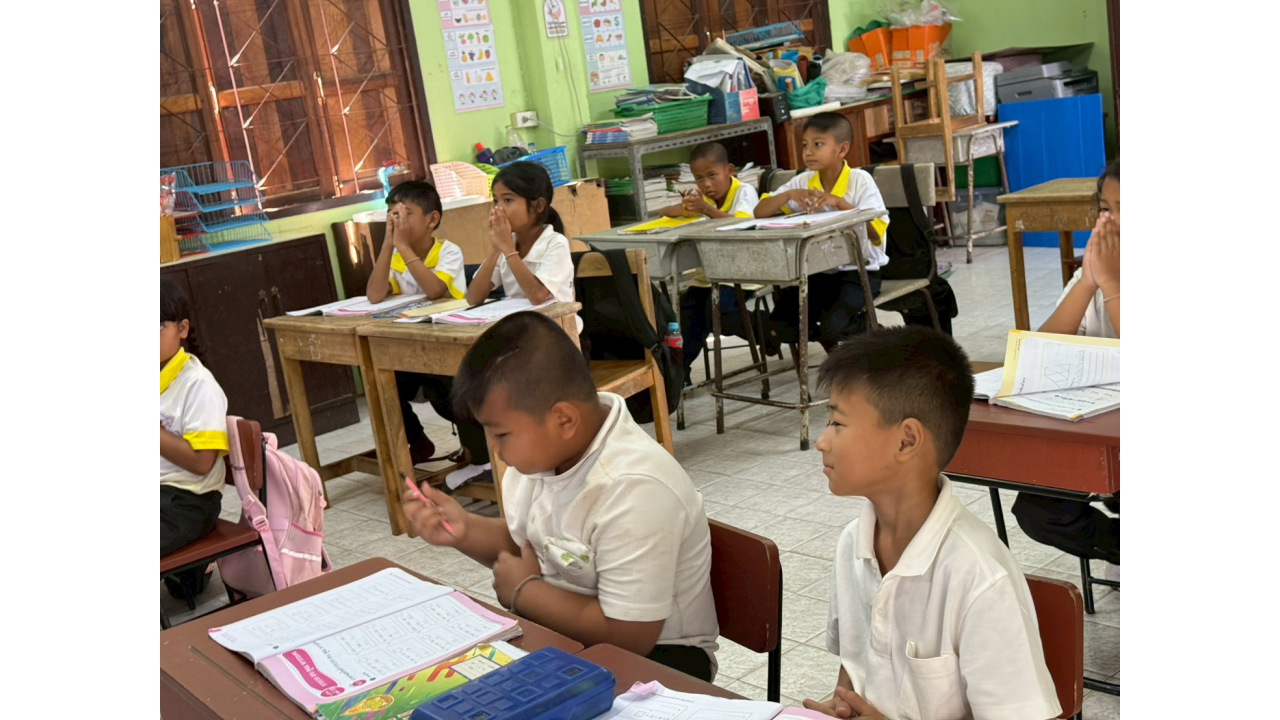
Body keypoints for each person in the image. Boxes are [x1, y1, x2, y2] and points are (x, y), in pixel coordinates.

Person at [402, 312, 720, 681]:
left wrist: (524, 592)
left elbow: (631, 636)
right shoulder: (544, 457)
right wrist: (464, 530)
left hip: (664, 660)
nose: (493, 448)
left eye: (500, 434)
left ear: (564, 420)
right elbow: (530, 545)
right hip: (574, 634)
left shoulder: (634, 488)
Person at [803, 326, 1060, 720]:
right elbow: (854, 668)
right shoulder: (853, 543)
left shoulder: (979, 577)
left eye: (837, 423)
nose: (822, 441)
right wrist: (841, 705)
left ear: (907, 440)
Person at [1012, 159, 1120, 574]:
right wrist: (1090, 282)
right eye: (1105, 209)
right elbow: (1041, 351)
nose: (1111, 222)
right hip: (1102, 433)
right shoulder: (1103, 265)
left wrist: (1112, 285)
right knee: (1038, 511)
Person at [365, 181, 480, 467]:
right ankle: (416, 440)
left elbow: (435, 291)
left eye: (405, 213)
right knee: (382, 385)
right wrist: (387, 245)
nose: (397, 220)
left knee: (450, 397)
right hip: (411, 344)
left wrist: (403, 246)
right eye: (392, 214)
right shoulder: (395, 256)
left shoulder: (448, 252)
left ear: (432, 219)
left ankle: (478, 453)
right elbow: (375, 294)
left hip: (449, 345)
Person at [755, 112, 889, 353]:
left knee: (835, 325)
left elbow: (874, 232)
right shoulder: (803, 181)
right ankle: (827, 335)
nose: (808, 152)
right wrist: (788, 195)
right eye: (805, 145)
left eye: (817, 145)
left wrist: (839, 202)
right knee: (779, 328)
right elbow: (759, 212)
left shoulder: (860, 181)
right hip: (817, 273)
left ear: (842, 149)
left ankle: (875, 334)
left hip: (859, 272)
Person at [658, 141, 762, 378]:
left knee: (717, 311)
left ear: (729, 170)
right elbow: (665, 213)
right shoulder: (703, 199)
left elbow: (741, 225)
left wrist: (705, 208)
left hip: (742, 273)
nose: (706, 184)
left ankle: (771, 333)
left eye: (712, 176)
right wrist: (685, 207)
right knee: (686, 316)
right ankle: (679, 374)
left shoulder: (744, 192)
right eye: (699, 178)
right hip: (707, 276)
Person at [160, 279, 230, 598]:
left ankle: (193, 571)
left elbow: (203, 462)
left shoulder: (198, 384)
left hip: (188, 502)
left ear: (182, 329)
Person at [465, 162, 580, 333]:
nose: (498, 208)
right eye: (495, 200)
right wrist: (496, 249)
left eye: (508, 200)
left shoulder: (555, 243)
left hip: (559, 335)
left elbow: (538, 296)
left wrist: (508, 249)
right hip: (524, 333)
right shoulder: (507, 244)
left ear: (538, 206)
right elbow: (474, 298)